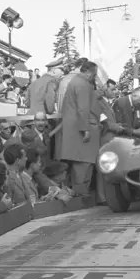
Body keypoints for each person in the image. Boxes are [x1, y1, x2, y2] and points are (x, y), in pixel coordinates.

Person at [57, 60, 102, 198]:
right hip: (80, 131)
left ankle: (81, 192)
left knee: (80, 163)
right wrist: (86, 129)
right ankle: (82, 194)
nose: (94, 78)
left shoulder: (75, 81)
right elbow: (83, 109)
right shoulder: (82, 84)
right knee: (84, 164)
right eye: (94, 75)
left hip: (73, 128)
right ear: (88, 72)